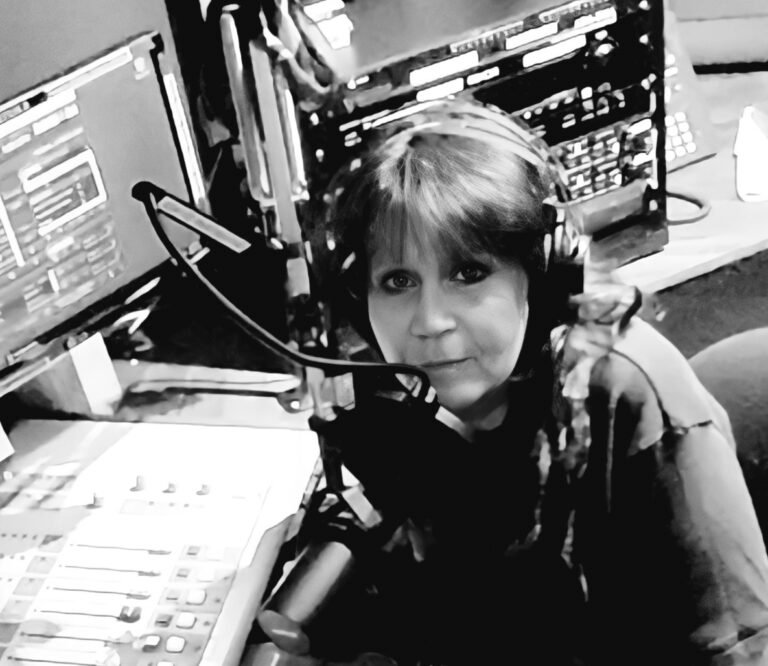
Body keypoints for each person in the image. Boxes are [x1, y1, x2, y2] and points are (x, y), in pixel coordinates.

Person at [258, 99, 768, 666]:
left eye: (469, 273)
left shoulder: (631, 398)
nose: (429, 322)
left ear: (540, 275)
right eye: (398, 281)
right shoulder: (423, 406)